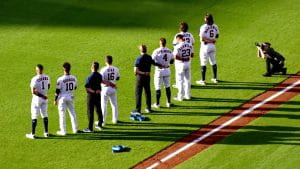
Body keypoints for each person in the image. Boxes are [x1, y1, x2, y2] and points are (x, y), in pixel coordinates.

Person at [132, 45, 162, 114]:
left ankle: (138, 110)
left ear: (140, 50)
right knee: (147, 92)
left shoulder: (139, 58)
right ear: (146, 50)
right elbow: (154, 63)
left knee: (138, 93)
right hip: (147, 77)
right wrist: (161, 65)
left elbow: (135, 71)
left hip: (140, 78)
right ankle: (148, 108)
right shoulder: (149, 57)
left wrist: (143, 73)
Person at [26, 64, 50, 139]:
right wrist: (44, 94)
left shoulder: (34, 79)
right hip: (45, 98)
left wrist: (40, 94)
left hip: (37, 99)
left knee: (34, 115)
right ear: (42, 69)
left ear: (37, 70)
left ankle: (32, 134)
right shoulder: (47, 77)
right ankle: (46, 132)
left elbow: (33, 91)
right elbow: (48, 86)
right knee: (45, 115)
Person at [55, 62, 79, 136]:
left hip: (62, 98)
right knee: (73, 113)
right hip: (71, 97)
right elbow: (75, 87)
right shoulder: (74, 78)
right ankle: (75, 129)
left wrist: (55, 100)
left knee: (62, 114)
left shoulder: (60, 79)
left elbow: (57, 91)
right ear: (70, 69)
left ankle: (63, 131)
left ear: (63, 69)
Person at [196, 13, 220, 85]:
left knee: (203, 62)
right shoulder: (215, 26)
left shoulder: (203, 27)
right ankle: (215, 78)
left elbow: (202, 39)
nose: (204, 19)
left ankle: (203, 80)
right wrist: (213, 40)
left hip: (205, 47)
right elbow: (217, 35)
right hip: (213, 46)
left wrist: (209, 40)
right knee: (213, 61)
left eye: (205, 18)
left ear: (206, 19)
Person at [151, 38, 174, 108]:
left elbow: (152, 61)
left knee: (158, 88)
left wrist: (159, 64)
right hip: (167, 70)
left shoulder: (156, 51)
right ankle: (169, 102)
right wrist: (166, 63)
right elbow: (172, 61)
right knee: (167, 87)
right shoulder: (170, 51)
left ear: (160, 43)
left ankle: (157, 104)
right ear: (165, 43)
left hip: (159, 71)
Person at [172, 22, 195, 88]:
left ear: (180, 28)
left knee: (178, 71)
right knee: (187, 72)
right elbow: (193, 43)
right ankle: (188, 84)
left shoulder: (178, 35)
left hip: (179, 56)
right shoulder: (190, 35)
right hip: (188, 55)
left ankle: (178, 84)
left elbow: (174, 44)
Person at [83, 62, 103, 133]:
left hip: (91, 96)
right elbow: (100, 83)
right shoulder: (100, 75)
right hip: (98, 95)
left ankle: (90, 128)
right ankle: (100, 124)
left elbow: (87, 88)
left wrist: (93, 91)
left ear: (91, 67)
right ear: (98, 68)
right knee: (98, 109)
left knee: (90, 111)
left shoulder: (89, 77)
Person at [100, 55, 120, 126]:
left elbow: (101, 80)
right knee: (114, 104)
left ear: (106, 61)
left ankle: (102, 121)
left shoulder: (103, 69)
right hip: (113, 88)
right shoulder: (116, 69)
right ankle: (115, 120)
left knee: (103, 105)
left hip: (105, 89)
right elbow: (118, 78)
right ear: (112, 61)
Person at [173, 34, 194, 101]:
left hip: (180, 65)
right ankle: (188, 95)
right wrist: (187, 58)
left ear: (179, 39)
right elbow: (192, 55)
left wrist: (183, 59)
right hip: (188, 63)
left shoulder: (177, 46)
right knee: (187, 80)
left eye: (177, 39)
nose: (176, 41)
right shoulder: (190, 45)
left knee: (180, 81)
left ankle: (180, 97)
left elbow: (175, 56)